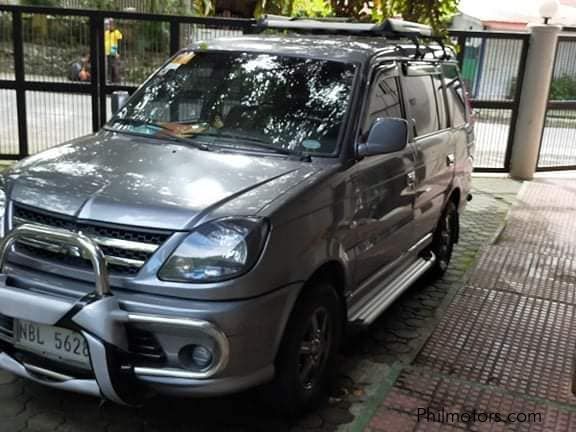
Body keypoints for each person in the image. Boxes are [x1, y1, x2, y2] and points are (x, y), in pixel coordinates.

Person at [104, 18, 123, 83]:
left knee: (114, 66)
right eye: (108, 24)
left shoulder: (116, 32)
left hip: (114, 51)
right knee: (109, 66)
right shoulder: (106, 33)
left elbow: (120, 42)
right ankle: (110, 79)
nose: (109, 26)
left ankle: (116, 80)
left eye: (111, 24)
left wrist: (118, 52)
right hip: (108, 52)